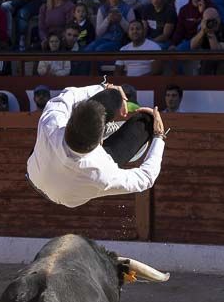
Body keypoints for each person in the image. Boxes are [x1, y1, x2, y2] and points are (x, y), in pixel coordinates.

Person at [26, 82, 166, 208]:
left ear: (70, 120)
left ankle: (108, 108)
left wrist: (106, 88)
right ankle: (112, 126)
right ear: (100, 141)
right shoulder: (101, 171)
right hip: (68, 191)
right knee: (147, 121)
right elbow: (146, 178)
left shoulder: (51, 123)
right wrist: (159, 135)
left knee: (113, 95)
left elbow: (69, 94)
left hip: (35, 176)